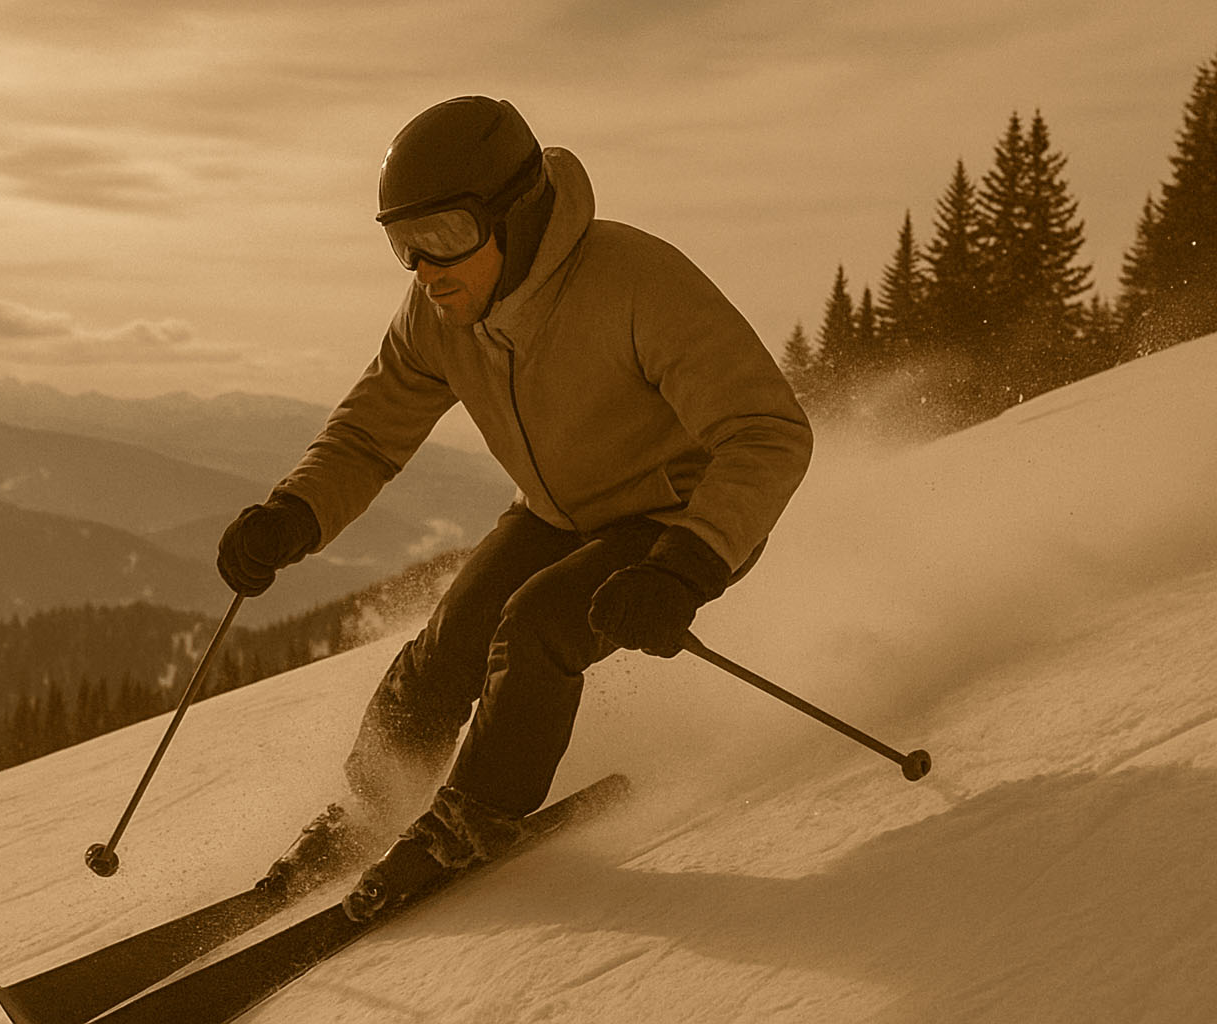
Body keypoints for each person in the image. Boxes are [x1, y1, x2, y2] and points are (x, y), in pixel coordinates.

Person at [217, 96, 813, 922]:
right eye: (403, 245)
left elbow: (768, 432)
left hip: (680, 518)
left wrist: (689, 563)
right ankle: (373, 806)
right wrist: (292, 515)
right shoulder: (439, 316)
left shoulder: (635, 281)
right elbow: (367, 437)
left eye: (448, 234)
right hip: (559, 511)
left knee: (536, 625)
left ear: (518, 215)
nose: (427, 267)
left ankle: (473, 815)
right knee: (451, 639)